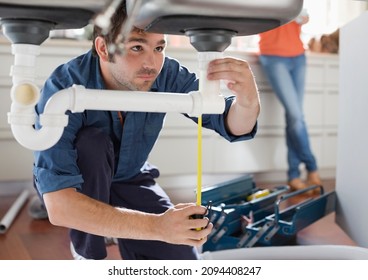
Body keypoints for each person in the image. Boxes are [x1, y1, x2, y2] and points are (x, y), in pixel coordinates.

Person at [32, 1, 260, 260]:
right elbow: (60, 206)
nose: (151, 63)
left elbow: (230, 122)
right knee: (91, 143)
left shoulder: (164, 73)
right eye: (137, 47)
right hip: (80, 181)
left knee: (183, 263)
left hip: (130, 176)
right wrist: (157, 227)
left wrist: (248, 100)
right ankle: (87, 250)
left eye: (159, 47)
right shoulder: (63, 86)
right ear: (104, 48)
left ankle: (112, 222)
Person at [258, 11, 322, 193]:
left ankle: (294, 175)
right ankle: (312, 168)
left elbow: (305, 18)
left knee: (293, 118)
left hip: (298, 56)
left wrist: (298, 14)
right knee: (296, 115)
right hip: (273, 56)